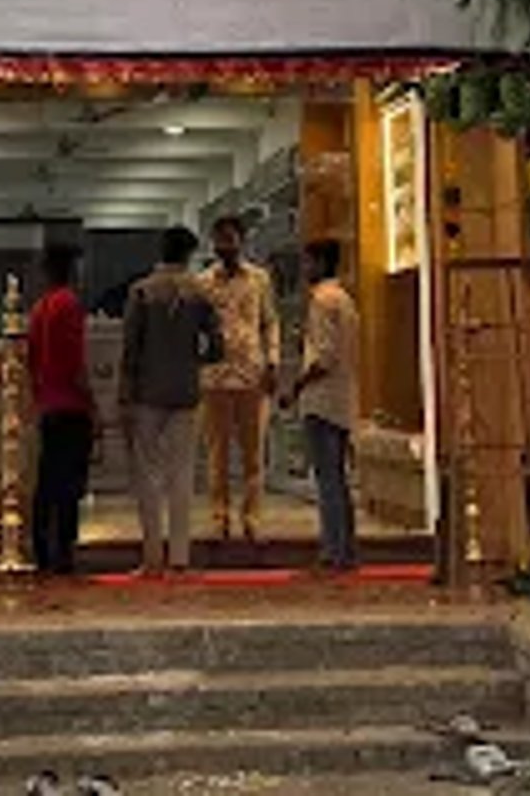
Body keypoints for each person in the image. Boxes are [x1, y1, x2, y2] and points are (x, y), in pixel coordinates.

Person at [119, 225, 223, 575]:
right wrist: (193, 361)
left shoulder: (142, 292)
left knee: (148, 474)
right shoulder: (200, 293)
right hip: (186, 391)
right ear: (189, 254)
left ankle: (152, 557)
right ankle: (180, 557)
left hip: (148, 392)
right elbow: (218, 346)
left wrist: (126, 392)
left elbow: (130, 348)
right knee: (182, 474)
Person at [198, 215, 279, 544]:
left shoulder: (259, 280)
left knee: (253, 454)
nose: (224, 246)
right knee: (217, 454)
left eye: (230, 239)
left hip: (251, 375)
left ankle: (252, 518)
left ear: (241, 241)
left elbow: (270, 322)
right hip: (215, 378)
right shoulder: (203, 283)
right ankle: (220, 518)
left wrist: (272, 361)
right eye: (219, 239)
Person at [288, 238, 360, 571]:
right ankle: (347, 549)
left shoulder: (322, 301)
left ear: (318, 263)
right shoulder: (345, 300)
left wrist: (297, 386)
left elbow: (324, 356)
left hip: (321, 400)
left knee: (328, 480)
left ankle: (333, 552)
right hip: (343, 397)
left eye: (307, 262)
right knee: (339, 479)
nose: (303, 269)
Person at [26, 243, 94, 576]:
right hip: (71, 404)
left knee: (47, 478)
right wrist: (92, 402)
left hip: (48, 403)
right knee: (70, 483)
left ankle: (41, 546)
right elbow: (76, 361)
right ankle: (64, 550)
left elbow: (32, 358)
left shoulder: (39, 308)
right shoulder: (69, 304)